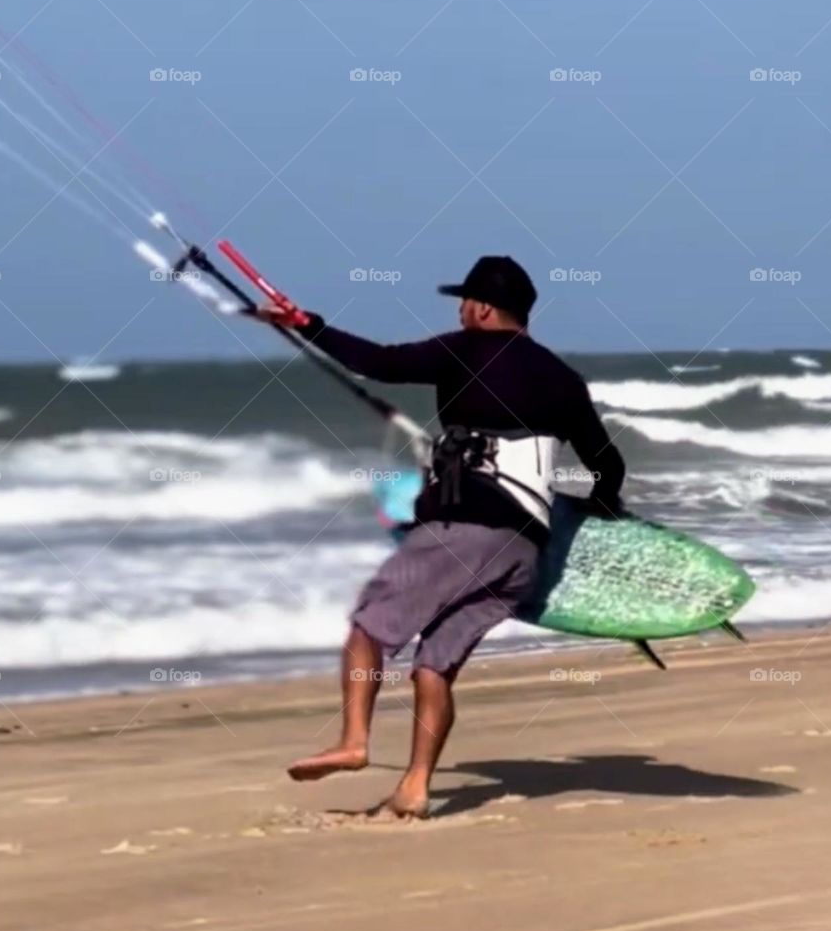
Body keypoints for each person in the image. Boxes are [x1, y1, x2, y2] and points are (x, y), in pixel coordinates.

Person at [256, 255, 625, 819]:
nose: (459, 310)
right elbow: (607, 463)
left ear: (480, 307)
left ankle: (355, 740)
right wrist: (599, 506)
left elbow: (377, 362)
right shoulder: (563, 379)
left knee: (369, 626)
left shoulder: (462, 349)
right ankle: (415, 787)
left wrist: (308, 325)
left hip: (464, 529)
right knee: (435, 664)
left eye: (463, 302)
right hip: (523, 550)